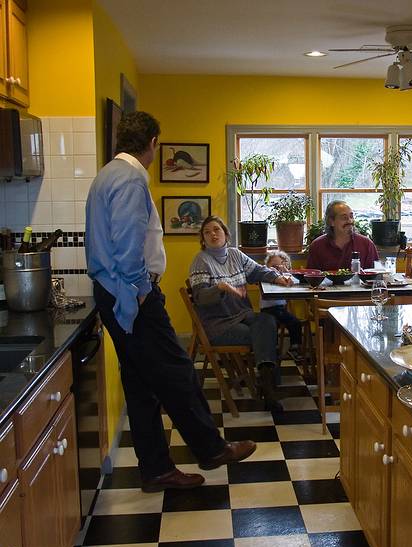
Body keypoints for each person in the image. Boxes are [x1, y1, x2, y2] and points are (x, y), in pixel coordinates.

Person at [85, 111, 255, 493]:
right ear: (152, 142)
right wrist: (141, 290)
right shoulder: (130, 178)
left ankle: (156, 469)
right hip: (130, 292)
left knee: (140, 383)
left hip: (111, 291)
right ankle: (210, 449)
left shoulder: (106, 175)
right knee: (178, 370)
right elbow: (128, 245)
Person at [189, 216, 293, 411]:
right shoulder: (201, 261)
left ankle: (266, 382)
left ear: (226, 234)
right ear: (202, 239)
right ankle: (269, 387)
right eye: (207, 232)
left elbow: (258, 271)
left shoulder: (235, 254)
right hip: (218, 324)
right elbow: (201, 297)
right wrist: (221, 287)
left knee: (267, 320)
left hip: (242, 315)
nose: (213, 234)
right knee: (262, 334)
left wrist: (278, 277)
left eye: (216, 230)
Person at [306, 200, 379, 270]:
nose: (350, 221)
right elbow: (312, 277)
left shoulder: (366, 244)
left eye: (351, 216)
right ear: (331, 222)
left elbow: (375, 276)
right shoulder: (317, 246)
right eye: (344, 218)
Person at [261, 250, 303, 360]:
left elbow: (293, 283)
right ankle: (272, 351)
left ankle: (294, 347)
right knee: (271, 326)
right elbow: (265, 274)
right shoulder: (265, 275)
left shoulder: (285, 278)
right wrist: (272, 271)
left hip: (281, 309)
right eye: (273, 266)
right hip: (267, 310)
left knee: (295, 323)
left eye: (279, 266)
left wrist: (285, 272)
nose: (276, 269)